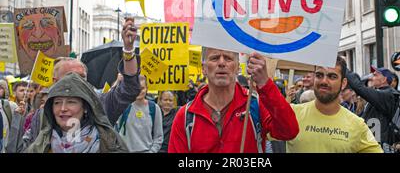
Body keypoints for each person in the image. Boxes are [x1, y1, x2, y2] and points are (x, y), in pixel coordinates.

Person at [9, 18, 141, 152]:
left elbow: (129, 89)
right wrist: (17, 121)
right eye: (70, 77)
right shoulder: (42, 116)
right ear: (55, 82)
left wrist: (128, 50)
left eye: (82, 77)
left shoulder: (100, 104)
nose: (77, 82)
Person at [168, 48, 299, 153]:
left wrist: (265, 83)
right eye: (214, 58)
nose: (221, 63)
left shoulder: (254, 105)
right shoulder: (185, 116)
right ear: (204, 68)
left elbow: (289, 131)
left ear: (237, 67)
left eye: (228, 58)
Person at [286, 57, 382, 153]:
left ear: (343, 83)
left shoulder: (357, 124)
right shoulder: (291, 113)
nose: (324, 81)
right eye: (319, 75)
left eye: (332, 76)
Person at [26, 72, 128, 153]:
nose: (63, 108)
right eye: (57, 102)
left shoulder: (108, 143)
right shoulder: (40, 145)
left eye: (71, 102)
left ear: (85, 107)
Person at [346, 66, 400, 152]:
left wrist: (343, 68)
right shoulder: (380, 94)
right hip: (371, 144)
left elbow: (359, 87)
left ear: (384, 79)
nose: (372, 77)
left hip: (379, 146)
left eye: (376, 75)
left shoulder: (387, 95)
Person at [116, 75, 163, 153]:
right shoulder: (123, 106)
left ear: (147, 88)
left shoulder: (154, 108)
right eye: (136, 88)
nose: (139, 91)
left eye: (142, 88)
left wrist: (151, 152)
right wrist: (118, 82)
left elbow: (158, 137)